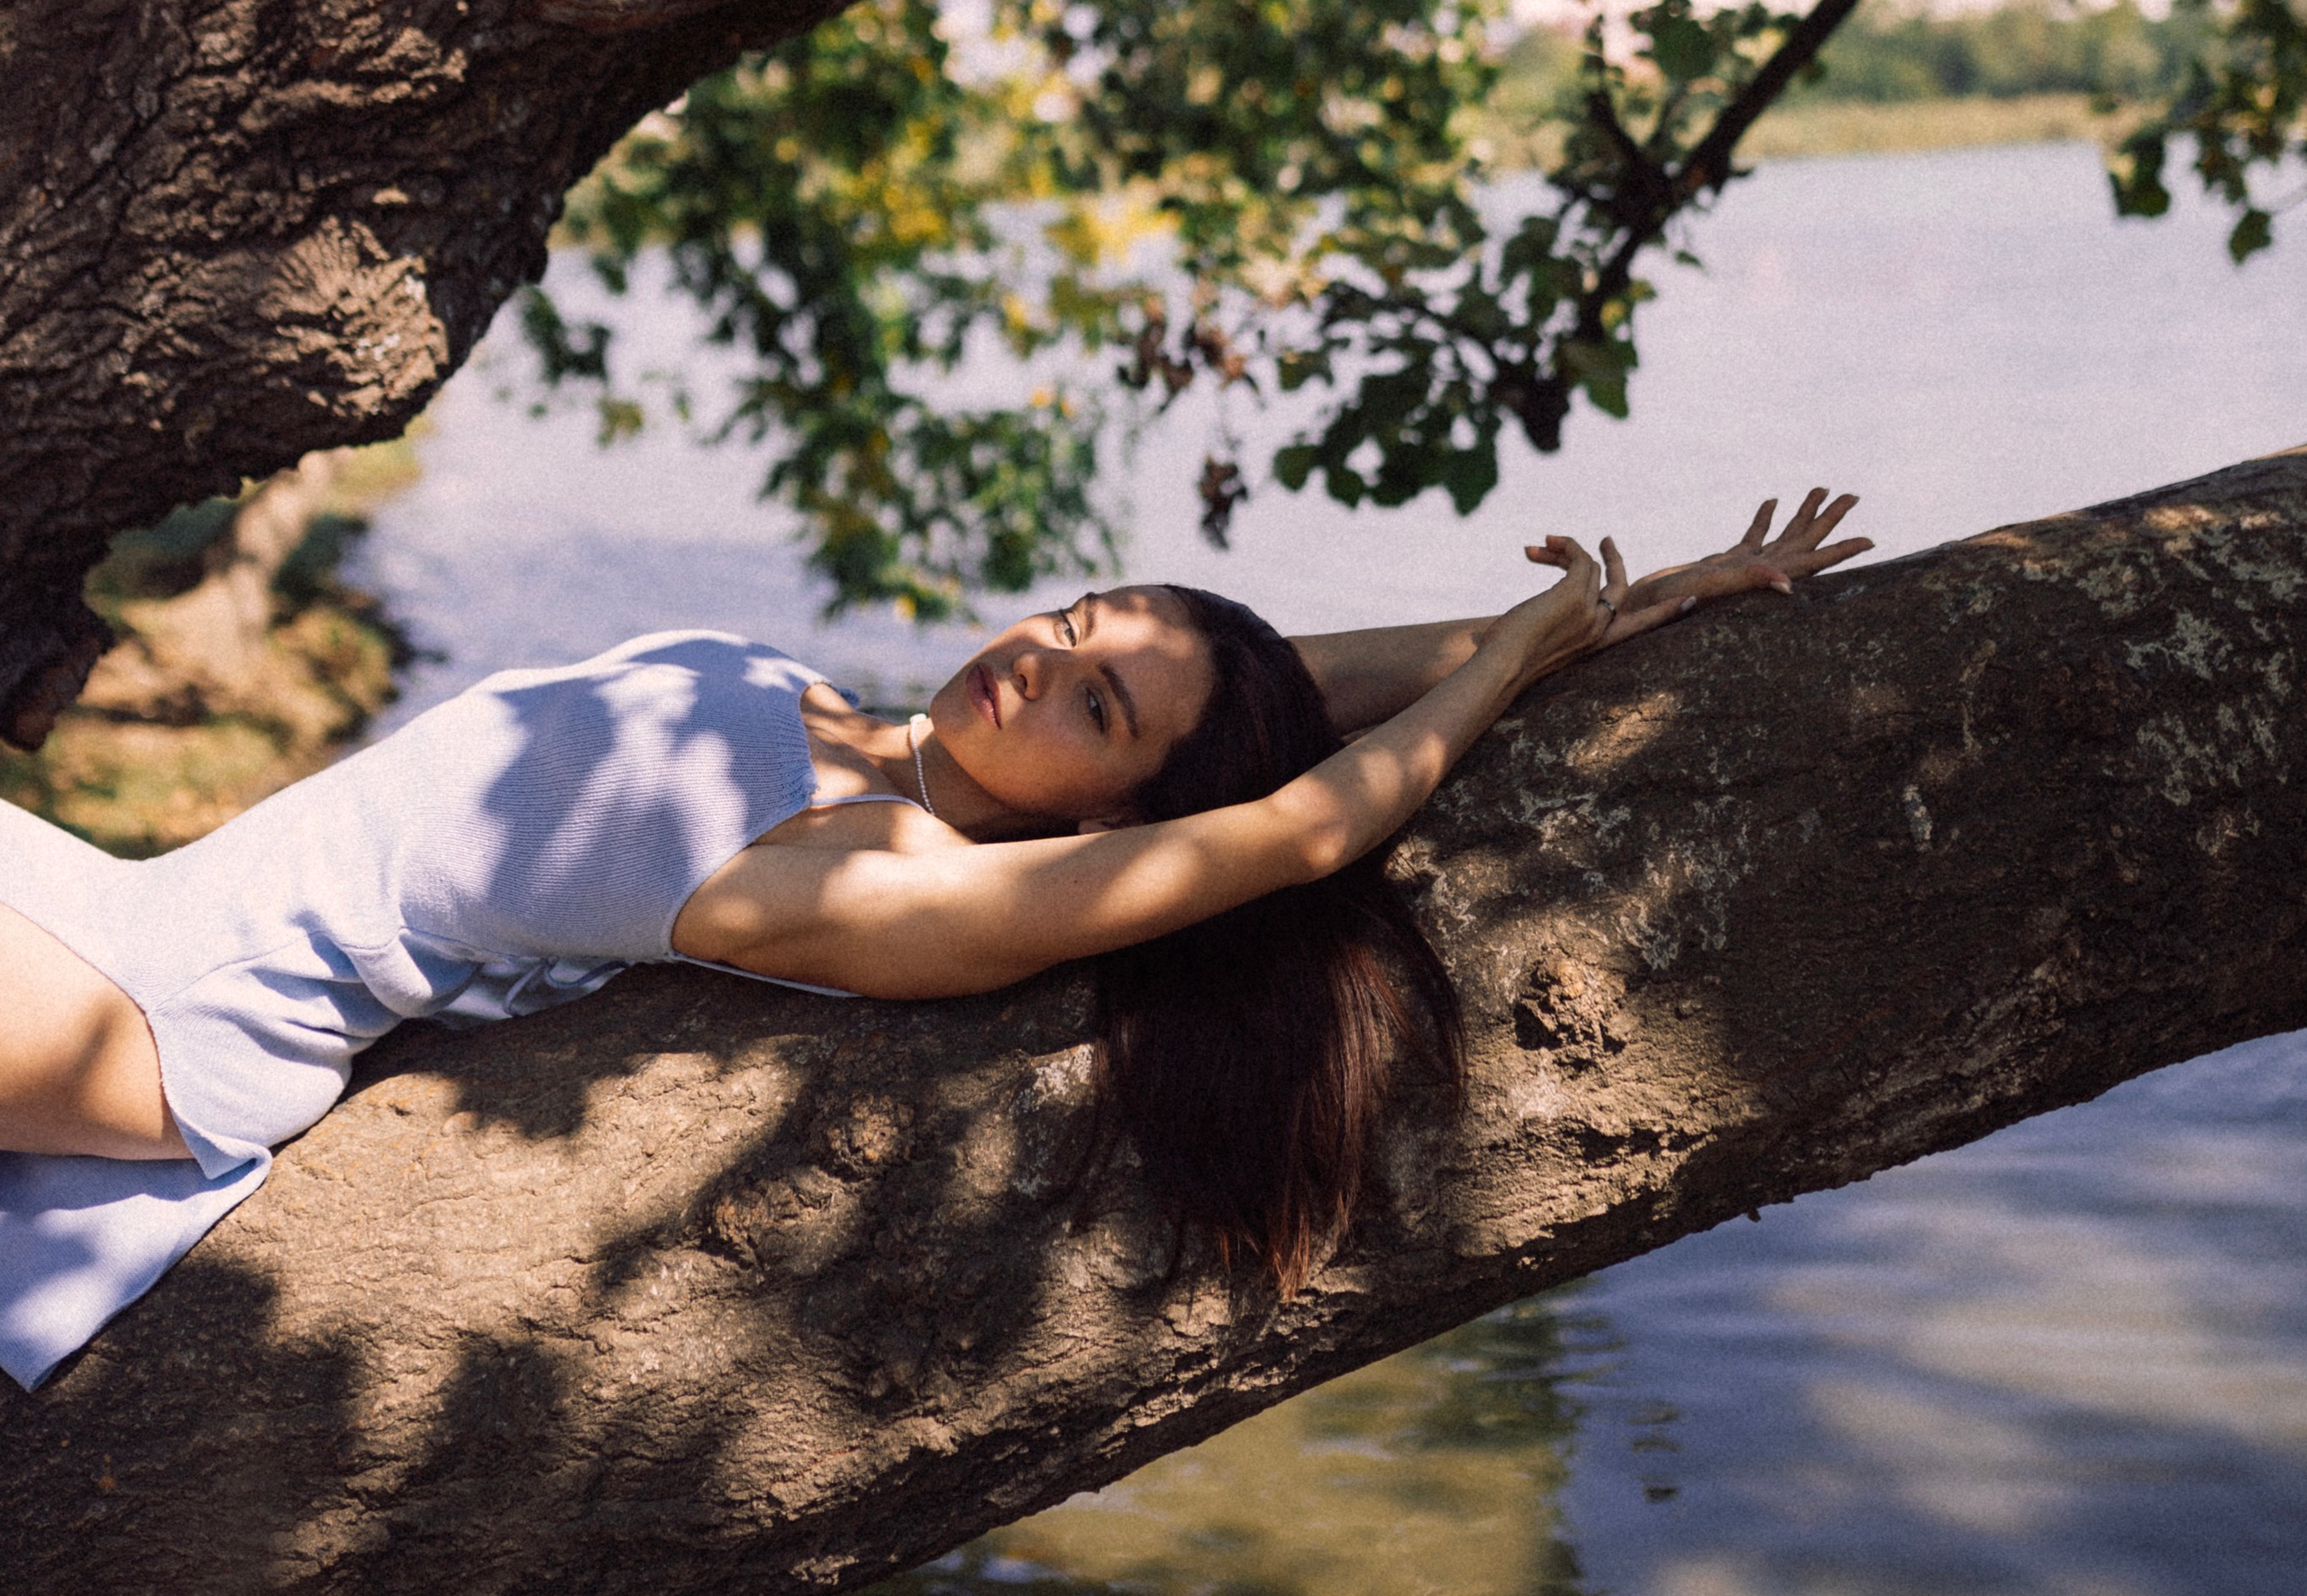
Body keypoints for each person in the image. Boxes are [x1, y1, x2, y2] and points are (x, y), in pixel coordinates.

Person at [0, 489, 1865, 1389]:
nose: (1039, 657)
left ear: (1113, 818)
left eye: (1091, 708)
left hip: (169, 1019)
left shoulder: (887, 890)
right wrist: (1615, 602)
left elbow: (1301, 819)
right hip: (128, 903)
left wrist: (1525, 662)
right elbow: (1294, 689)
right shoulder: (860, 729)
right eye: (1071, 619)